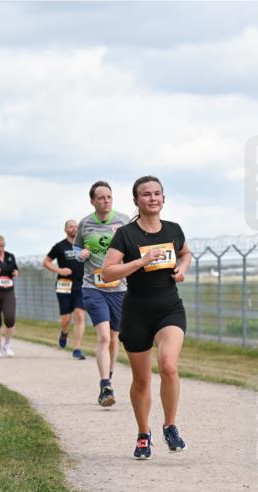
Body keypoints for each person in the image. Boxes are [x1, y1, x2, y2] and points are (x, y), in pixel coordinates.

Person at [100, 176, 191, 459]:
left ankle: (170, 426)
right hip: (137, 311)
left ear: (164, 198)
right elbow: (107, 272)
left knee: (168, 365)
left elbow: (186, 254)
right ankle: (143, 433)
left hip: (169, 308)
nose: (153, 198)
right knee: (141, 380)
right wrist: (141, 261)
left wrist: (182, 269)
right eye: (146, 194)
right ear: (137, 201)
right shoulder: (126, 235)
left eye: (157, 194)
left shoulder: (174, 230)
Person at [74, 181, 131, 406]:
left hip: (119, 288)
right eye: (101, 197)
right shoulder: (85, 223)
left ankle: (110, 376)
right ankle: (105, 385)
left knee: (115, 337)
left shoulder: (124, 220)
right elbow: (76, 247)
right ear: (92, 201)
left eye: (109, 197)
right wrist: (81, 254)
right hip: (92, 286)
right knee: (104, 336)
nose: (106, 201)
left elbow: (133, 246)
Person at [44, 219, 87, 360]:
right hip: (64, 284)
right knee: (66, 319)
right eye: (71, 226)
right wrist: (59, 270)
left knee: (80, 315)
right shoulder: (60, 246)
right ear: (65, 229)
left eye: (76, 226)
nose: (74, 228)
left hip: (81, 284)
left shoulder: (84, 246)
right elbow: (46, 262)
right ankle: (64, 332)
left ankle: (77, 348)